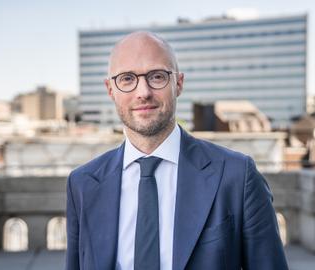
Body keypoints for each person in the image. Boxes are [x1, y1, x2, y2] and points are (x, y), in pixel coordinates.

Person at [66, 31, 288, 270]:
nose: (143, 92)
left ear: (178, 83)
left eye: (157, 76)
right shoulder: (82, 184)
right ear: (110, 89)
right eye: (127, 79)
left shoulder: (237, 176)